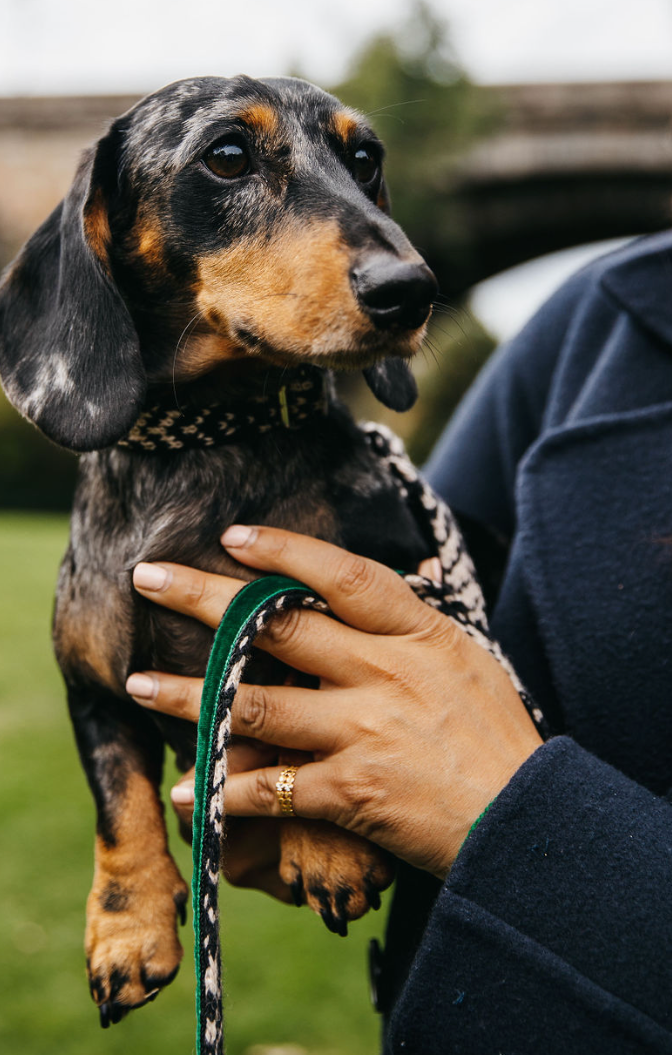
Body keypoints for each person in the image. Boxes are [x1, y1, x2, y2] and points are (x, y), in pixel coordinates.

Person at [125, 231, 672, 1053]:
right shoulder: (604, 319)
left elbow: (476, 776)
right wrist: (305, 781)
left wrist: (524, 819)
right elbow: (413, 598)